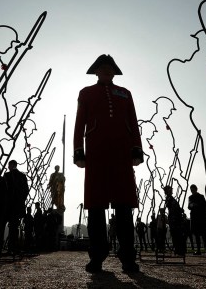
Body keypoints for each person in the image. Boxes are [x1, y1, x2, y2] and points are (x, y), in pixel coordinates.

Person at [73, 54, 144, 273]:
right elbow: (79, 123)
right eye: (102, 67)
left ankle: (128, 257)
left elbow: (133, 121)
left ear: (114, 72)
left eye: (110, 67)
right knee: (96, 206)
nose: (106, 70)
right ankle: (97, 256)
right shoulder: (86, 93)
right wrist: (78, 151)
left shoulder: (125, 93)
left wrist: (136, 148)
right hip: (96, 153)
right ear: (96, 71)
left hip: (122, 153)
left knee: (124, 206)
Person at [3, 159, 29, 254]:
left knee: (8, 226)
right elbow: (26, 190)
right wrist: (21, 200)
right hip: (18, 205)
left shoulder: (7, 175)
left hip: (8, 205)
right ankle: (13, 247)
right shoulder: (22, 176)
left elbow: (3, 190)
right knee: (15, 227)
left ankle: (10, 247)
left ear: (12, 165)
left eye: (9, 165)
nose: (8, 167)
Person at [163, 185, 187, 256]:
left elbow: (175, 208)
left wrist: (180, 210)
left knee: (178, 235)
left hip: (176, 219)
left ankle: (179, 250)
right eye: (170, 189)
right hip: (174, 219)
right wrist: (179, 210)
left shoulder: (171, 199)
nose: (171, 190)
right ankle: (178, 250)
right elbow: (172, 207)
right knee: (176, 235)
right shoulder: (169, 199)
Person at [187, 184, 206, 255]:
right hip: (195, 218)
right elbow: (189, 206)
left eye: (193, 189)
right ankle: (199, 250)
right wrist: (193, 205)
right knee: (196, 235)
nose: (192, 191)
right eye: (191, 190)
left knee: (204, 235)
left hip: (201, 218)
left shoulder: (201, 196)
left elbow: (205, 206)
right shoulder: (190, 197)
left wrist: (196, 205)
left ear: (196, 189)